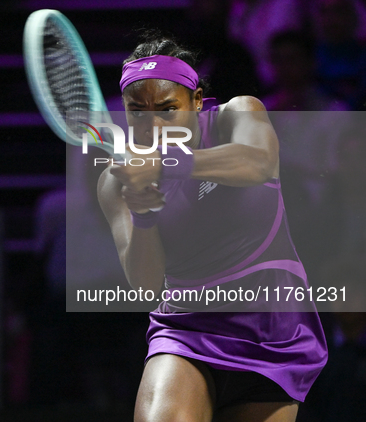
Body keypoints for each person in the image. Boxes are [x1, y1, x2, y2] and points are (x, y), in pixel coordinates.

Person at [97, 33, 328, 422]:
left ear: (197, 100)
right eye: (137, 111)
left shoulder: (238, 114)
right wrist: (144, 214)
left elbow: (258, 162)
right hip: (185, 328)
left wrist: (167, 164)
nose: (152, 124)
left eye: (167, 109)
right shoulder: (117, 181)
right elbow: (148, 286)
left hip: (272, 331)